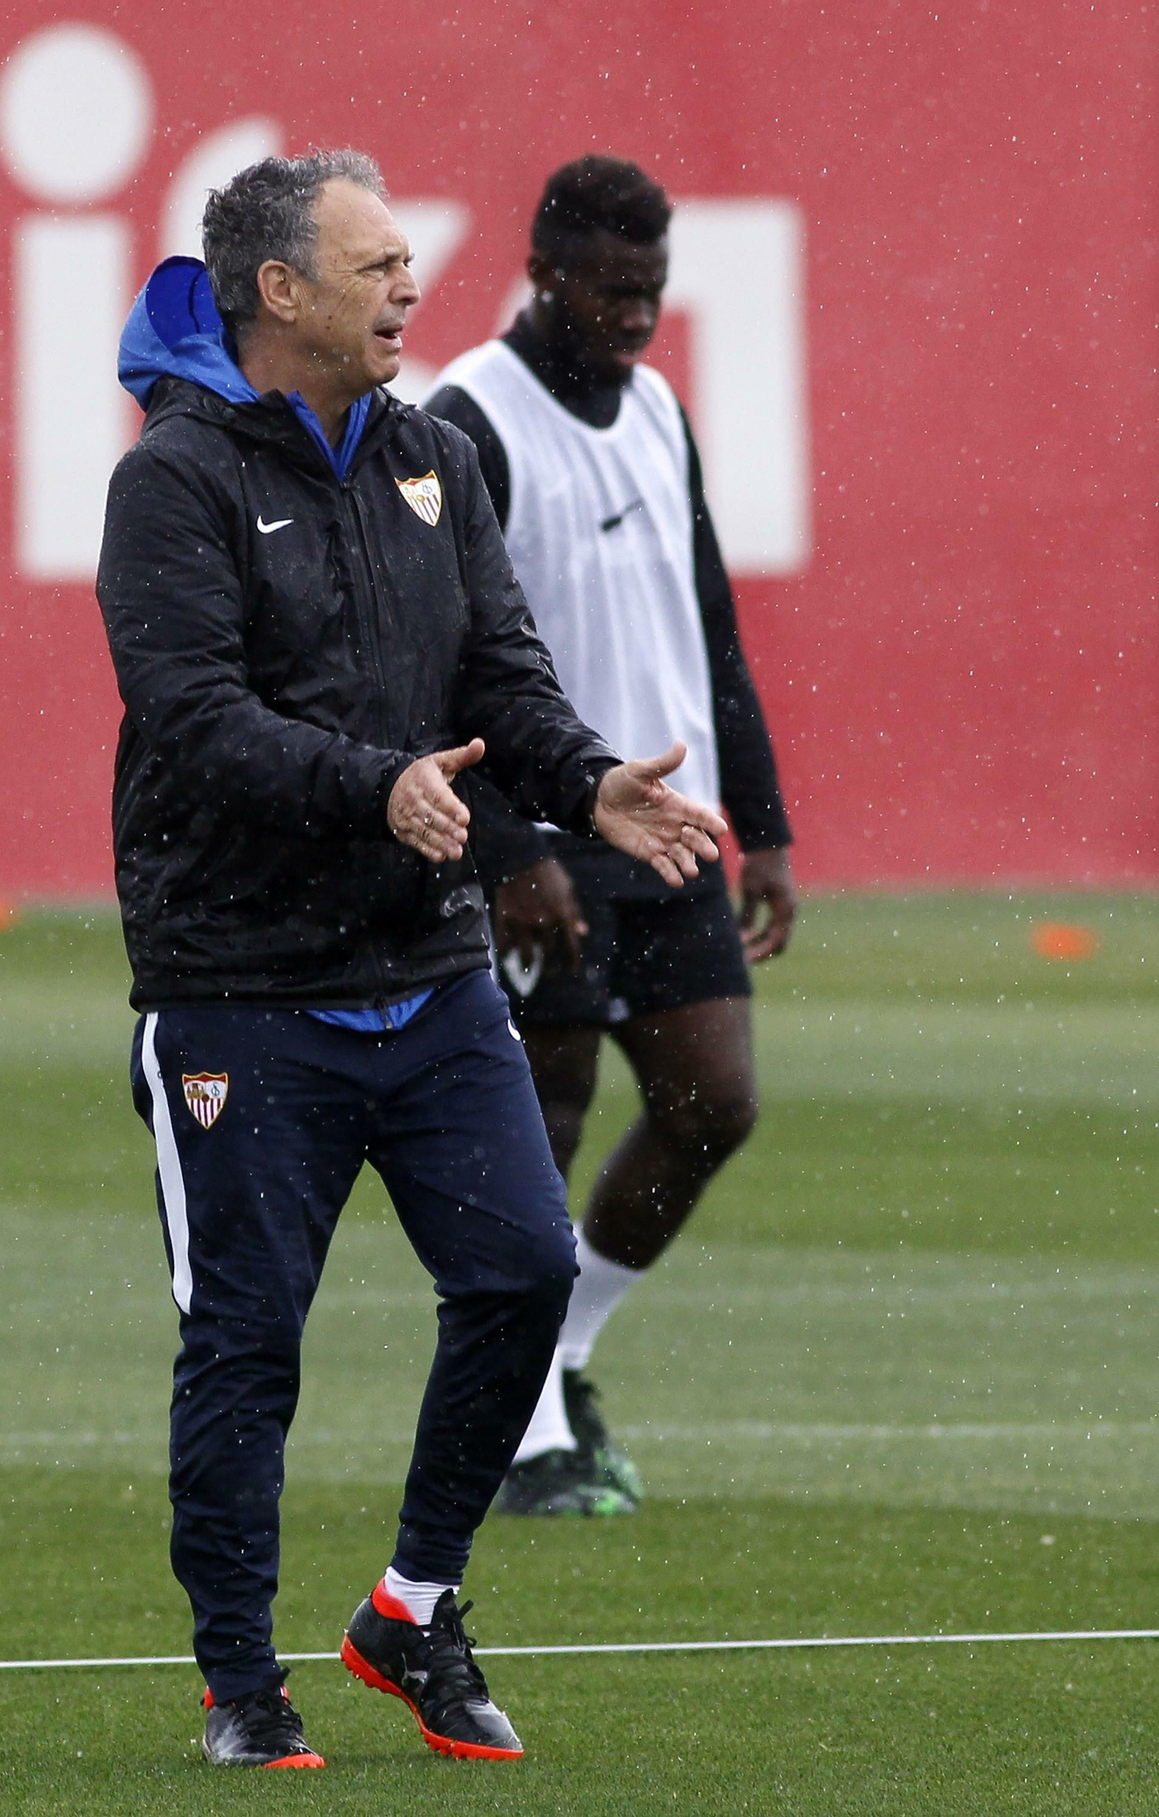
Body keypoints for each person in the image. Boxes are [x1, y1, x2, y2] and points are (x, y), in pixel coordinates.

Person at [97, 150, 727, 1769]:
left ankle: (411, 1607)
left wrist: (585, 778)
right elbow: (197, 720)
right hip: (240, 982)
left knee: (518, 1271)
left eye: (405, 261)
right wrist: (370, 783)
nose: (409, 287)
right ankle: (244, 1682)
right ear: (280, 292)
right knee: (247, 1339)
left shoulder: (435, 454)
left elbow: (503, 678)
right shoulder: (171, 481)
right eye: (375, 264)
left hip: (425, 971)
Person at [425, 156, 797, 1518]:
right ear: (545, 274)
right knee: (547, 1116)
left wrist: (763, 827)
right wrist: (506, 849)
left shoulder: (656, 412)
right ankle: (518, 1429)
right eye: (613, 289)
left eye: (653, 291)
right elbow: (444, 660)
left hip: (672, 826)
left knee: (716, 1100)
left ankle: (559, 1348)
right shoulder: (471, 417)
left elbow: (710, 624)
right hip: (548, 826)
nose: (637, 317)